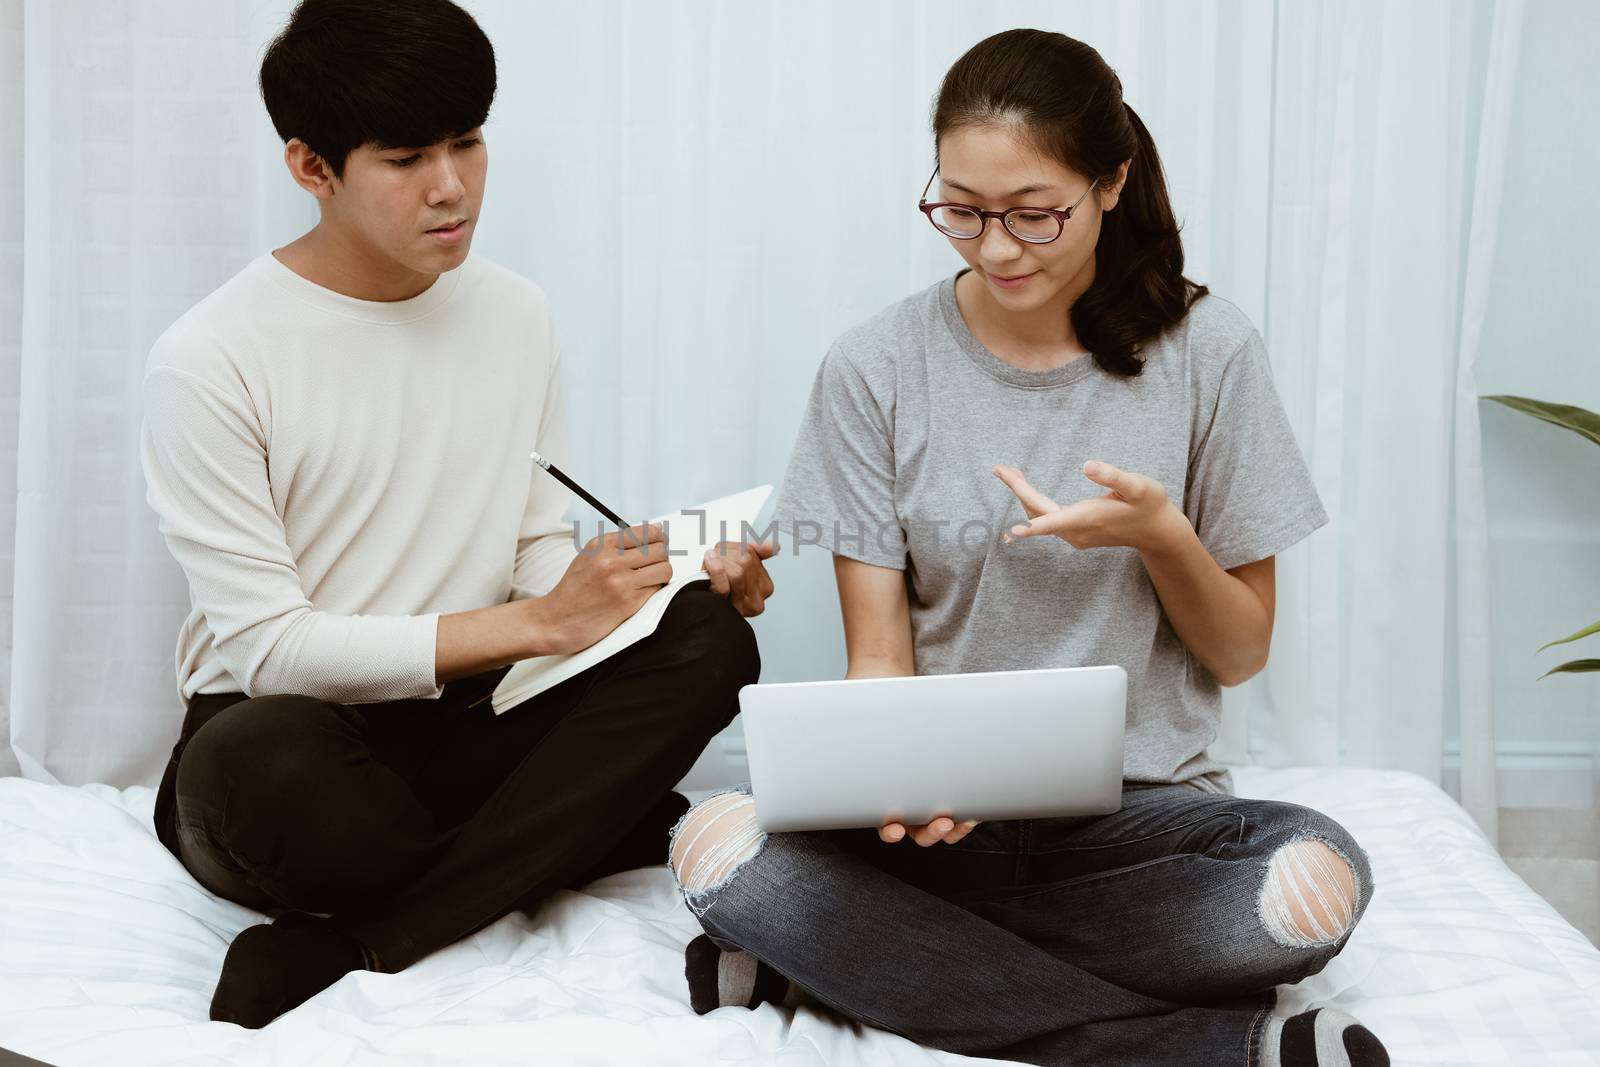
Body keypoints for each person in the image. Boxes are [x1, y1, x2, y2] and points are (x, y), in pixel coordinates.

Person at [666, 28, 1387, 1067]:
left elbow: (1237, 654)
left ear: (1110, 181)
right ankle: (1198, 1046)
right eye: (960, 209)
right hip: (931, 829)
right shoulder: (875, 365)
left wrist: (1160, 536)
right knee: (719, 855)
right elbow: (878, 657)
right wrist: (897, 783)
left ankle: (850, 962)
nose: (995, 246)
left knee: (1312, 881)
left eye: (1032, 212)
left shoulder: (1208, 351)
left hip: (1137, 822)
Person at [139, 0, 774, 1029]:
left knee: (706, 638)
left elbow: (535, 552)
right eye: (405, 158)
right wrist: (545, 623)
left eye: (467, 143)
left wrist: (650, 589)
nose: (452, 187)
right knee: (265, 764)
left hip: (469, 719)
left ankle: (366, 937)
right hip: (289, 741)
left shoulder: (515, 311)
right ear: (312, 167)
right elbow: (268, 649)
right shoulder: (210, 356)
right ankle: (556, 833)